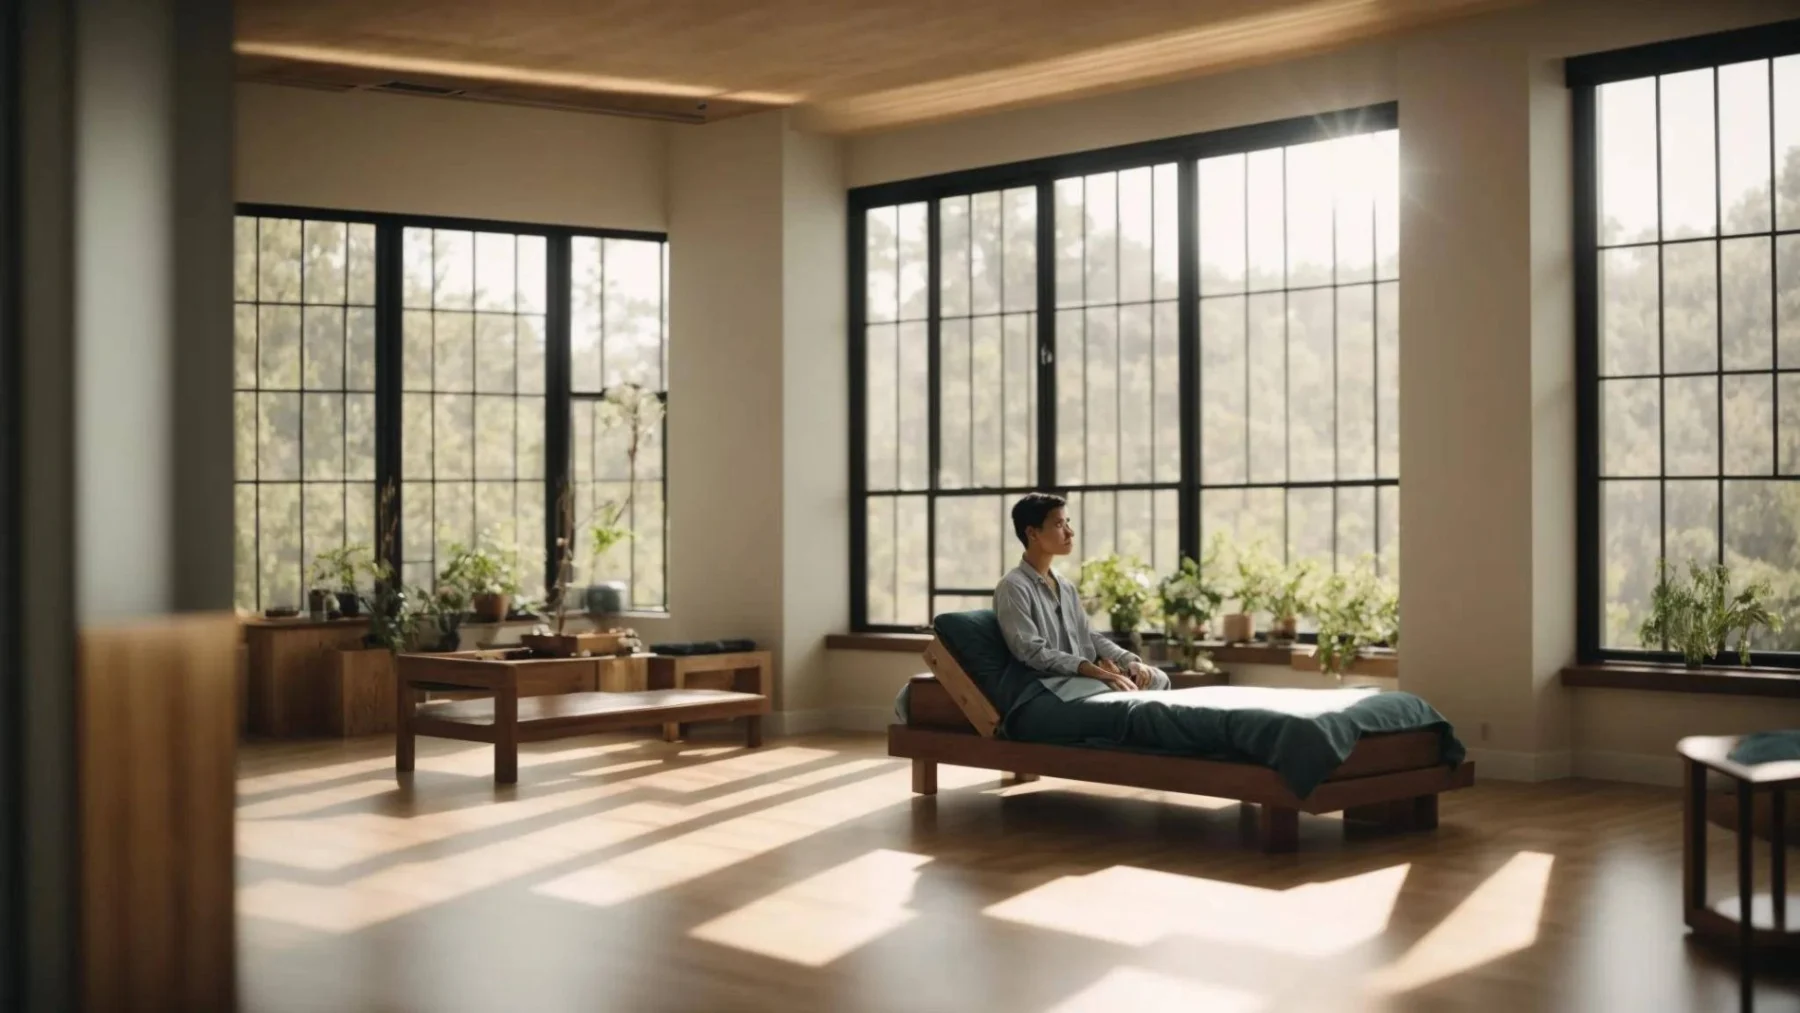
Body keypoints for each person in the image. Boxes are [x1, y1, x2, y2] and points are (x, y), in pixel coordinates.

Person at [994, 492, 1173, 699]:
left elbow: (1089, 635)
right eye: (1060, 525)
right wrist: (1097, 672)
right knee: (1121, 691)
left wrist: (1129, 660)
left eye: (1067, 523)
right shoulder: (1013, 587)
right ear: (1033, 534)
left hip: (1083, 679)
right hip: (1047, 685)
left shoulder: (1065, 586)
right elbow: (1032, 652)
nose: (1070, 533)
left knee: (1157, 678)